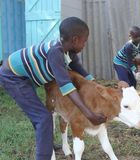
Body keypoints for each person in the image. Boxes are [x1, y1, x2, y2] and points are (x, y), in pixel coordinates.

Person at [0, 17, 107, 160]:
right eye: (84, 40)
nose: (85, 44)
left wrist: (101, 90)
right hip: (13, 77)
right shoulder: (55, 52)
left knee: (38, 116)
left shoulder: (70, 54)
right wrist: (89, 114)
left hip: (25, 77)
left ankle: (46, 141)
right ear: (75, 40)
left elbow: (83, 73)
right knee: (43, 117)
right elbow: (67, 87)